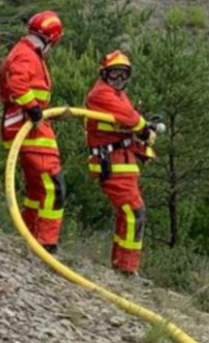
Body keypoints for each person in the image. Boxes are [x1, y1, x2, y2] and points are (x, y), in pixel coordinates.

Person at [0, 10, 65, 254]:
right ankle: (45, 241)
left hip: (29, 128)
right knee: (52, 185)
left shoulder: (28, 52)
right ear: (52, 39)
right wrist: (34, 109)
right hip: (29, 129)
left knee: (38, 188)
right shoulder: (26, 55)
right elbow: (18, 84)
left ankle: (30, 233)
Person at [85, 50, 157, 275]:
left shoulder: (117, 95)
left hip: (123, 162)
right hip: (111, 163)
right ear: (104, 74)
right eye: (114, 74)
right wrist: (144, 128)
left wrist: (144, 139)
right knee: (133, 213)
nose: (119, 80)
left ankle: (122, 265)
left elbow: (128, 123)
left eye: (123, 75)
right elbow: (129, 118)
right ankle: (126, 269)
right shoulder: (101, 94)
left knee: (130, 214)